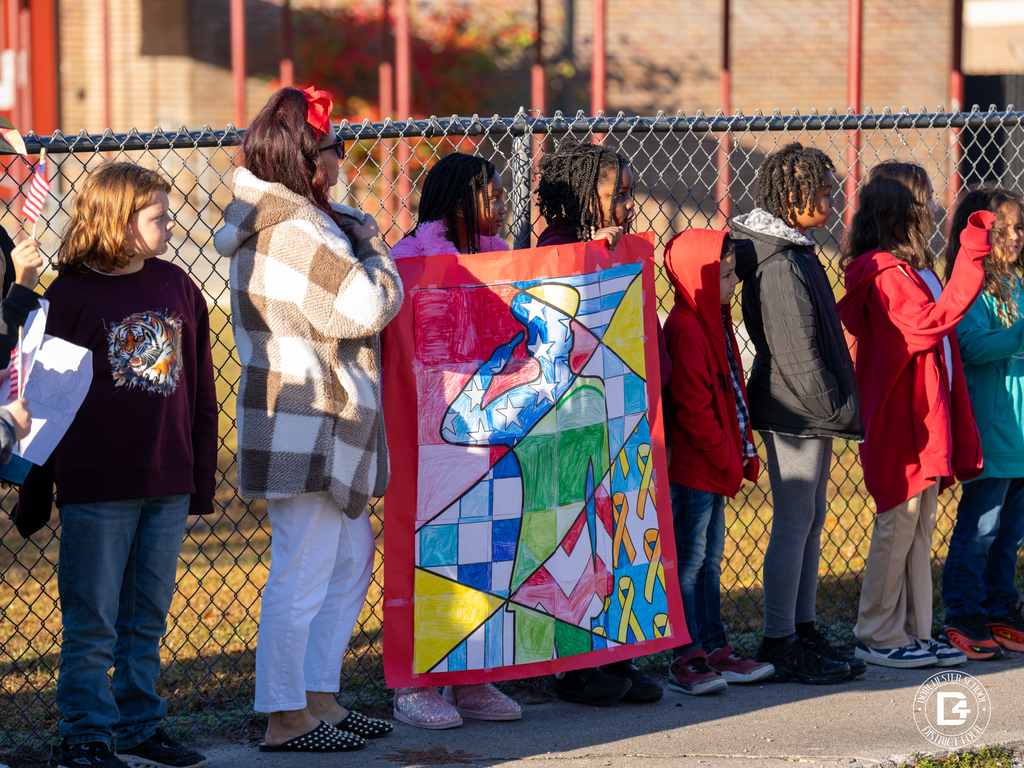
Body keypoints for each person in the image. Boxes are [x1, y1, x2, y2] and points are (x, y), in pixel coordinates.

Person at [214, 86, 401, 752]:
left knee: (347, 554)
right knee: (304, 566)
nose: (341, 161)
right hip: (308, 417)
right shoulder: (294, 227)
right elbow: (364, 306)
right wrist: (376, 251)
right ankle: (285, 716)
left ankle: (317, 697)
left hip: (314, 412)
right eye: (333, 149)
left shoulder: (293, 218)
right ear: (305, 157)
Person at [11, 162, 217, 768]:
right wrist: (35, 488)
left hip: (166, 481)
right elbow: (42, 401)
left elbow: (201, 390)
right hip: (97, 486)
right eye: (158, 216)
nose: (171, 224)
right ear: (118, 222)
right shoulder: (69, 296)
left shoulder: (178, 285)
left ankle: (139, 726)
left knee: (145, 618)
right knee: (93, 619)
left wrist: (198, 476)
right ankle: (85, 735)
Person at [838, 161, 992, 668]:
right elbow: (928, 325)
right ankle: (876, 634)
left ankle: (914, 630)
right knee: (898, 523)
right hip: (899, 417)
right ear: (898, 208)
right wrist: (971, 256)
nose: (931, 208)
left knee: (920, 525)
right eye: (923, 198)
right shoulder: (883, 274)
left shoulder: (909, 268)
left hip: (925, 415)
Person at [389, 152, 522, 729]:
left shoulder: (508, 260)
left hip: (492, 426)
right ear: (461, 201)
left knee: (487, 548)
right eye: (492, 194)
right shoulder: (411, 259)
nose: (502, 204)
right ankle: (415, 683)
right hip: (431, 429)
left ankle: (473, 677)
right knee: (429, 547)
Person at [532, 136, 664, 706]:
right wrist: (592, 257)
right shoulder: (556, 246)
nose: (626, 207)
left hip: (624, 414)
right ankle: (572, 665)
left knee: (620, 539)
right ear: (585, 195)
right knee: (576, 540)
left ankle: (619, 652)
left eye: (631, 195)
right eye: (617, 196)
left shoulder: (622, 245)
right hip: (574, 420)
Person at [731, 142, 864, 684]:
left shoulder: (796, 249)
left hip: (809, 409)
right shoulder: (779, 261)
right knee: (792, 523)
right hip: (793, 408)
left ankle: (802, 630)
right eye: (824, 192)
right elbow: (795, 353)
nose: (832, 202)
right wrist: (836, 407)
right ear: (792, 196)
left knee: (809, 523)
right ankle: (779, 639)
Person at [661, 229, 774, 695]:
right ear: (700, 279)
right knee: (688, 562)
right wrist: (729, 459)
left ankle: (714, 647)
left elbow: (732, 397)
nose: (733, 282)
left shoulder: (717, 321)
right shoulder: (687, 330)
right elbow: (694, 410)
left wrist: (737, 456)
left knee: (709, 561)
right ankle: (684, 655)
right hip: (695, 470)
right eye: (726, 275)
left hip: (716, 467)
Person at [939, 188, 1024, 660]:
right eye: (1005, 228)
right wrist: (1017, 333)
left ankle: (999, 606)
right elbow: (969, 345)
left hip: (1020, 438)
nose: (1015, 237)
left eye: (1019, 228)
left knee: (1009, 534)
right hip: (992, 433)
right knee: (981, 529)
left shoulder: (1019, 285)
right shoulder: (973, 287)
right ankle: (963, 611)